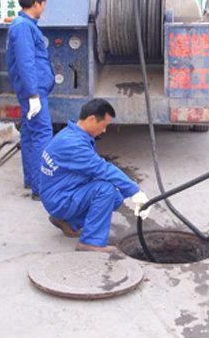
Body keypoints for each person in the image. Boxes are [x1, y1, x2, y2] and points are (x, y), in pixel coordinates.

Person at [39, 98, 150, 253]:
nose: (104, 131)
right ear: (91, 119)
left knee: (115, 197)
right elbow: (103, 169)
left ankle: (67, 222)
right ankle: (91, 243)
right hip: (59, 199)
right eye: (104, 125)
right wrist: (136, 193)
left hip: (56, 192)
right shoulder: (74, 145)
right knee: (106, 190)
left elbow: (95, 169)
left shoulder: (71, 133)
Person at [6, 0, 55, 199]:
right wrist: (34, 94)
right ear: (36, 4)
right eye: (43, 4)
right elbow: (26, 63)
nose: (44, 8)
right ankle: (40, 187)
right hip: (34, 93)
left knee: (28, 133)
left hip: (34, 91)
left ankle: (30, 179)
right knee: (42, 134)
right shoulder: (23, 27)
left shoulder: (23, 25)